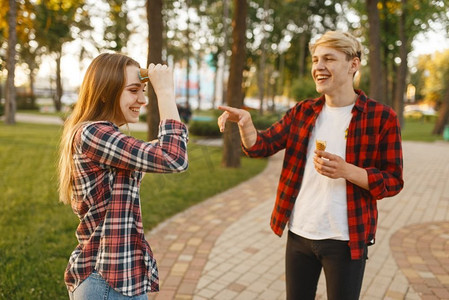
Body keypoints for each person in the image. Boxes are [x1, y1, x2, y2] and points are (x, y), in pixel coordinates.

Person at [217, 31, 403, 300]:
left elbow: (393, 180)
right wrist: (246, 124)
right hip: (300, 234)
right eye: (316, 60)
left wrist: (347, 171)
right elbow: (262, 145)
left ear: (354, 64)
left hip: (345, 238)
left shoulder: (382, 117)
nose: (318, 67)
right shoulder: (303, 111)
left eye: (329, 58)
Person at [58, 53, 188, 299]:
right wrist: (166, 93)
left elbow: (166, 151)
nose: (142, 99)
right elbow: (174, 157)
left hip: (123, 277)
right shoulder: (93, 134)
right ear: (106, 92)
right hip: (106, 282)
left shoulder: (107, 137)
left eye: (144, 91)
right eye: (133, 90)